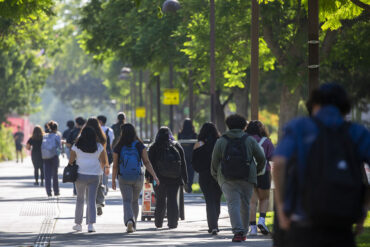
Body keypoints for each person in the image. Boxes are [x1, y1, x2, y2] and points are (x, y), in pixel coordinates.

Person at [272, 83, 370, 247]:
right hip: (342, 226)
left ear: (314, 103)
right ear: (344, 106)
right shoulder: (357, 132)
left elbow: (279, 162)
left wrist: (282, 209)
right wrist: (364, 208)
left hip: (302, 225)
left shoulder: (299, 127)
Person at [211, 114, 266, 242]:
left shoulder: (222, 140)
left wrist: (216, 176)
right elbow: (261, 158)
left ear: (228, 125)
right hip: (247, 177)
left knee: (232, 204)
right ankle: (244, 232)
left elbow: (214, 161)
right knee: (245, 204)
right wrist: (256, 172)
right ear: (243, 126)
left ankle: (238, 231)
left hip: (227, 177)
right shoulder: (249, 140)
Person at [112, 123, 159, 233]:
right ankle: (134, 224)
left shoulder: (118, 147)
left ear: (122, 133)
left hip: (124, 177)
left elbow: (115, 165)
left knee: (127, 200)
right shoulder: (139, 145)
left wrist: (113, 179)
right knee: (134, 201)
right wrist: (155, 176)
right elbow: (146, 162)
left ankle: (129, 220)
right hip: (138, 177)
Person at [69, 126, 109, 233]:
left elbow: (71, 160)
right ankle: (90, 225)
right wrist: (98, 169)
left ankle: (78, 224)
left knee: (80, 199)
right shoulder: (99, 146)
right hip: (94, 175)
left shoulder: (76, 146)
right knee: (91, 200)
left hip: (80, 175)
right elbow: (104, 161)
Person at [147, 127, 188, 229]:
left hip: (158, 179)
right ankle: (173, 223)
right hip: (175, 178)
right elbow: (183, 163)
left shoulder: (154, 147)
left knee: (160, 200)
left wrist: (148, 177)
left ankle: (158, 222)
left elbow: (149, 163)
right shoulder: (177, 146)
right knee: (172, 199)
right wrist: (185, 179)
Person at [245, 120, 275, 236]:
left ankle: (252, 228)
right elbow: (272, 157)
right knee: (264, 199)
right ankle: (262, 221)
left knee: (252, 202)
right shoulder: (266, 141)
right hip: (264, 173)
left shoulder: (245, 141)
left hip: (248, 174)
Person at [192, 122, 222, 235]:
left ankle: (213, 226)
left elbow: (194, 163)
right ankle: (215, 223)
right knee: (217, 199)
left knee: (209, 201)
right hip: (218, 175)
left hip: (204, 176)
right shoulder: (219, 143)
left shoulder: (198, 145)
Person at [85, 117, 108, 216]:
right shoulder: (102, 137)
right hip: (99, 163)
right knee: (99, 185)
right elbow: (104, 152)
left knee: (88, 187)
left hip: (85, 164)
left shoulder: (84, 135)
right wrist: (106, 166)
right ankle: (99, 203)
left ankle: (90, 205)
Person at [66, 116, 86, 196]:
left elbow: (68, 144)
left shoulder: (73, 131)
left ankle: (75, 190)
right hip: (85, 154)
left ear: (76, 123)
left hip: (74, 154)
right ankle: (85, 189)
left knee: (75, 171)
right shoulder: (86, 131)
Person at [42, 121, 62, 197]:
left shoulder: (45, 136)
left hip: (46, 156)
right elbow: (59, 148)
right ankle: (56, 191)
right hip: (54, 157)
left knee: (47, 175)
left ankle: (48, 192)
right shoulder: (57, 136)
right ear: (56, 128)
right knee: (55, 175)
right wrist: (58, 154)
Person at [178, 118, 197, 193]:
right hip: (192, 155)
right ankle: (189, 186)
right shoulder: (194, 134)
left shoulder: (180, 134)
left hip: (183, 155)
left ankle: (184, 183)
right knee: (191, 172)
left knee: (183, 170)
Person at [97, 115, 114, 196]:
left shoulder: (96, 130)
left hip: (97, 153)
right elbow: (111, 144)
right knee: (106, 170)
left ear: (100, 121)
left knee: (99, 170)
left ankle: (100, 187)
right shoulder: (109, 130)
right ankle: (105, 187)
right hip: (107, 153)